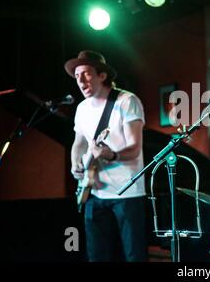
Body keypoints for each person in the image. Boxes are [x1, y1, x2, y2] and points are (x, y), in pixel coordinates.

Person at [66, 50, 148, 262]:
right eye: (77, 76)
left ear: (102, 75)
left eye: (86, 74)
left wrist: (110, 155)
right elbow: (79, 143)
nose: (81, 81)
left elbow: (135, 148)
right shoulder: (82, 108)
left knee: (133, 256)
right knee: (97, 256)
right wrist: (75, 162)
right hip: (94, 192)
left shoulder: (126, 101)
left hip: (127, 193)